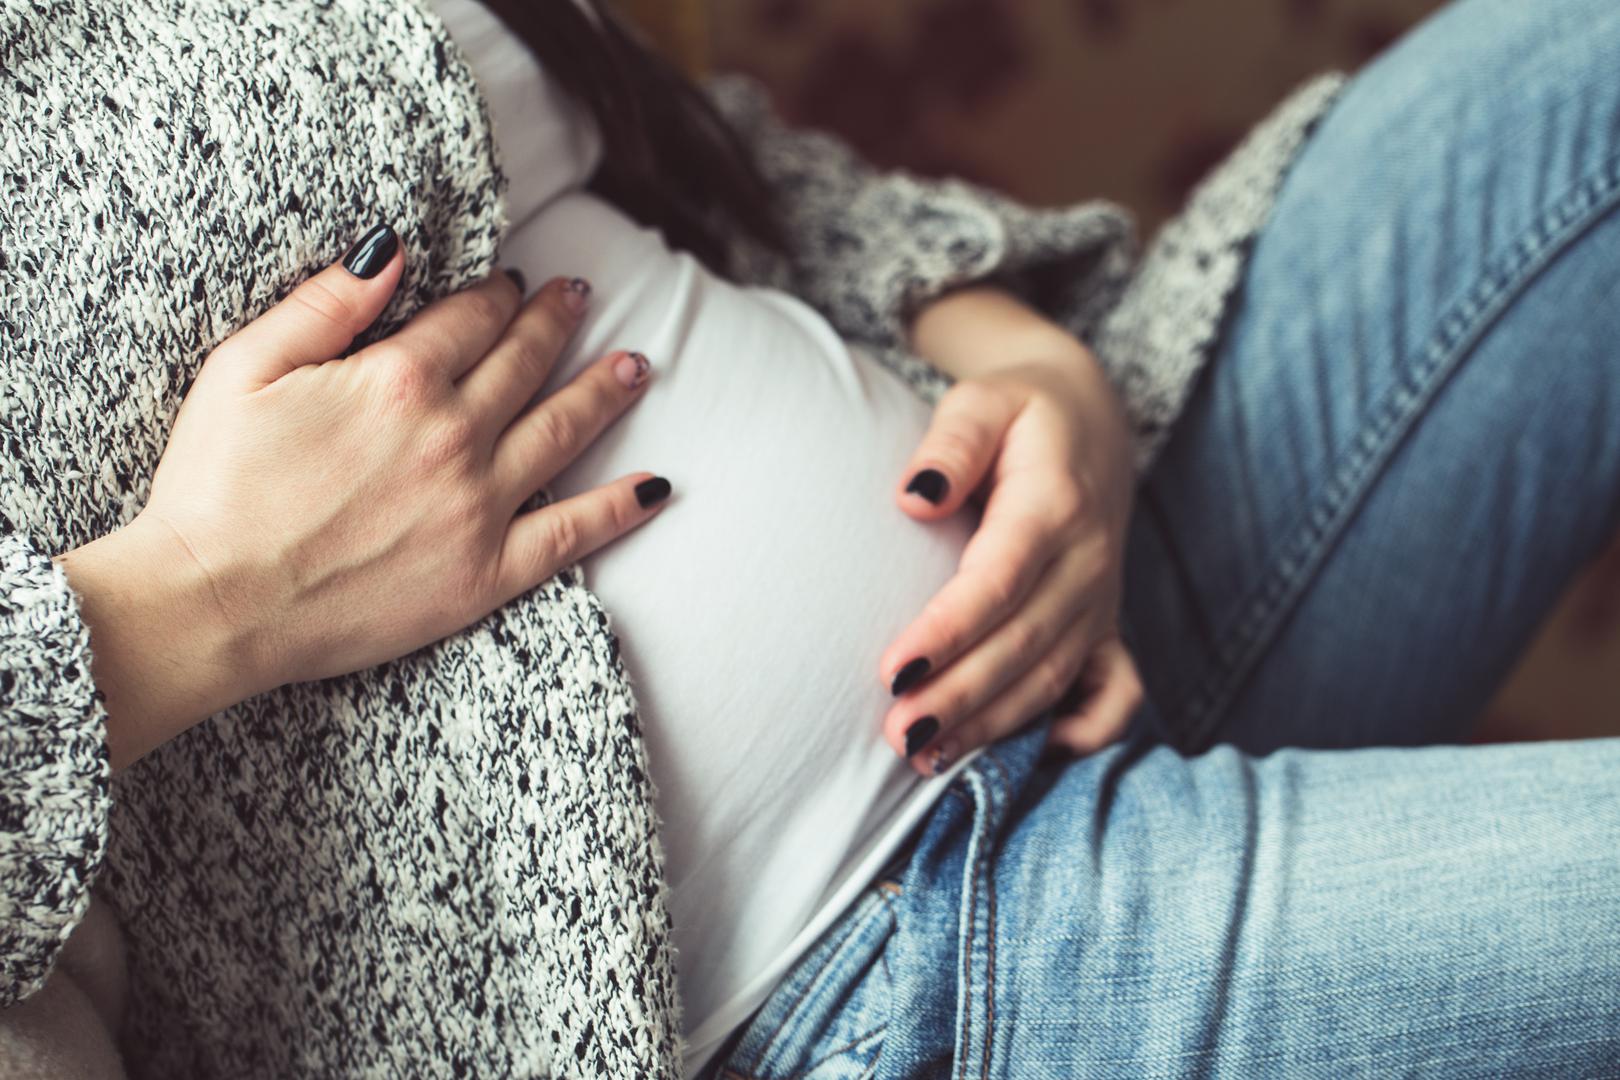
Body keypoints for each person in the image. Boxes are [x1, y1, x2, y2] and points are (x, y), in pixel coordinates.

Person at [2, 0, 1616, 1077]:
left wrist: (1016, 361)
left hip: (1095, 569)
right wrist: (197, 597)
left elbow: (688, 165)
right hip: (863, 971)